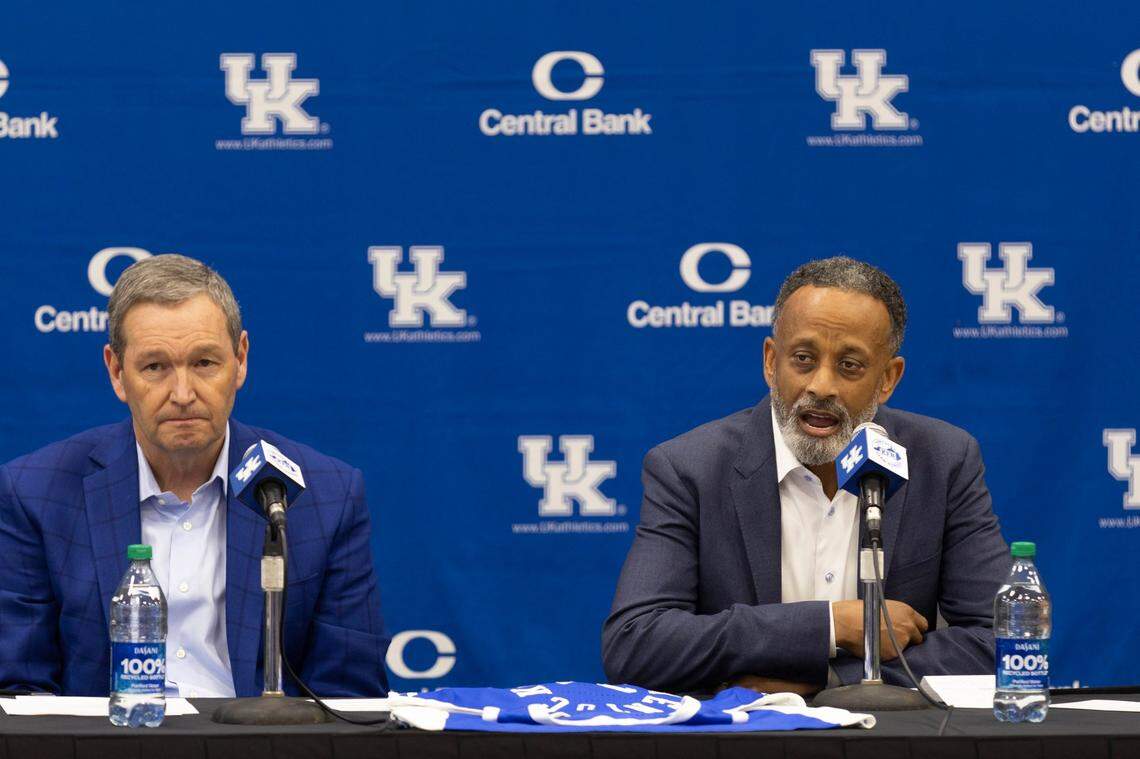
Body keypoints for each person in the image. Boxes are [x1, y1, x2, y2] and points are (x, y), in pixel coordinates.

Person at [602, 256, 1009, 694]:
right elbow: (636, 644)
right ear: (770, 361)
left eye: (850, 365)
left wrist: (830, 680)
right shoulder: (689, 468)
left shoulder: (942, 460)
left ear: (888, 379)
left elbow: (1006, 642)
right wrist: (828, 626)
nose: (821, 385)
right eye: (803, 358)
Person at [0, 254, 389, 697]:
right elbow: (19, 694)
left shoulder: (326, 495)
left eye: (204, 363)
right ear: (116, 372)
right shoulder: (35, 493)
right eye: (155, 367)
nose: (183, 394)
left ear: (240, 360)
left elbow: (350, 696)